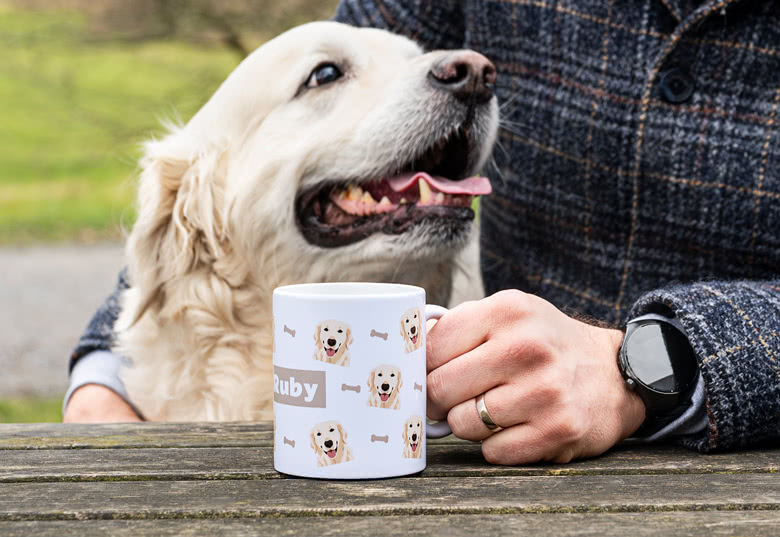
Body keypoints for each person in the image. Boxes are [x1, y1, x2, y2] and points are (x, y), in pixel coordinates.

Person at [63, 0, 780, 464]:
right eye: (326, 76)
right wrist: (105, 375)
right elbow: (214, 167)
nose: (462, 75)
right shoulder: (187, 206)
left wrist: (649, 364)